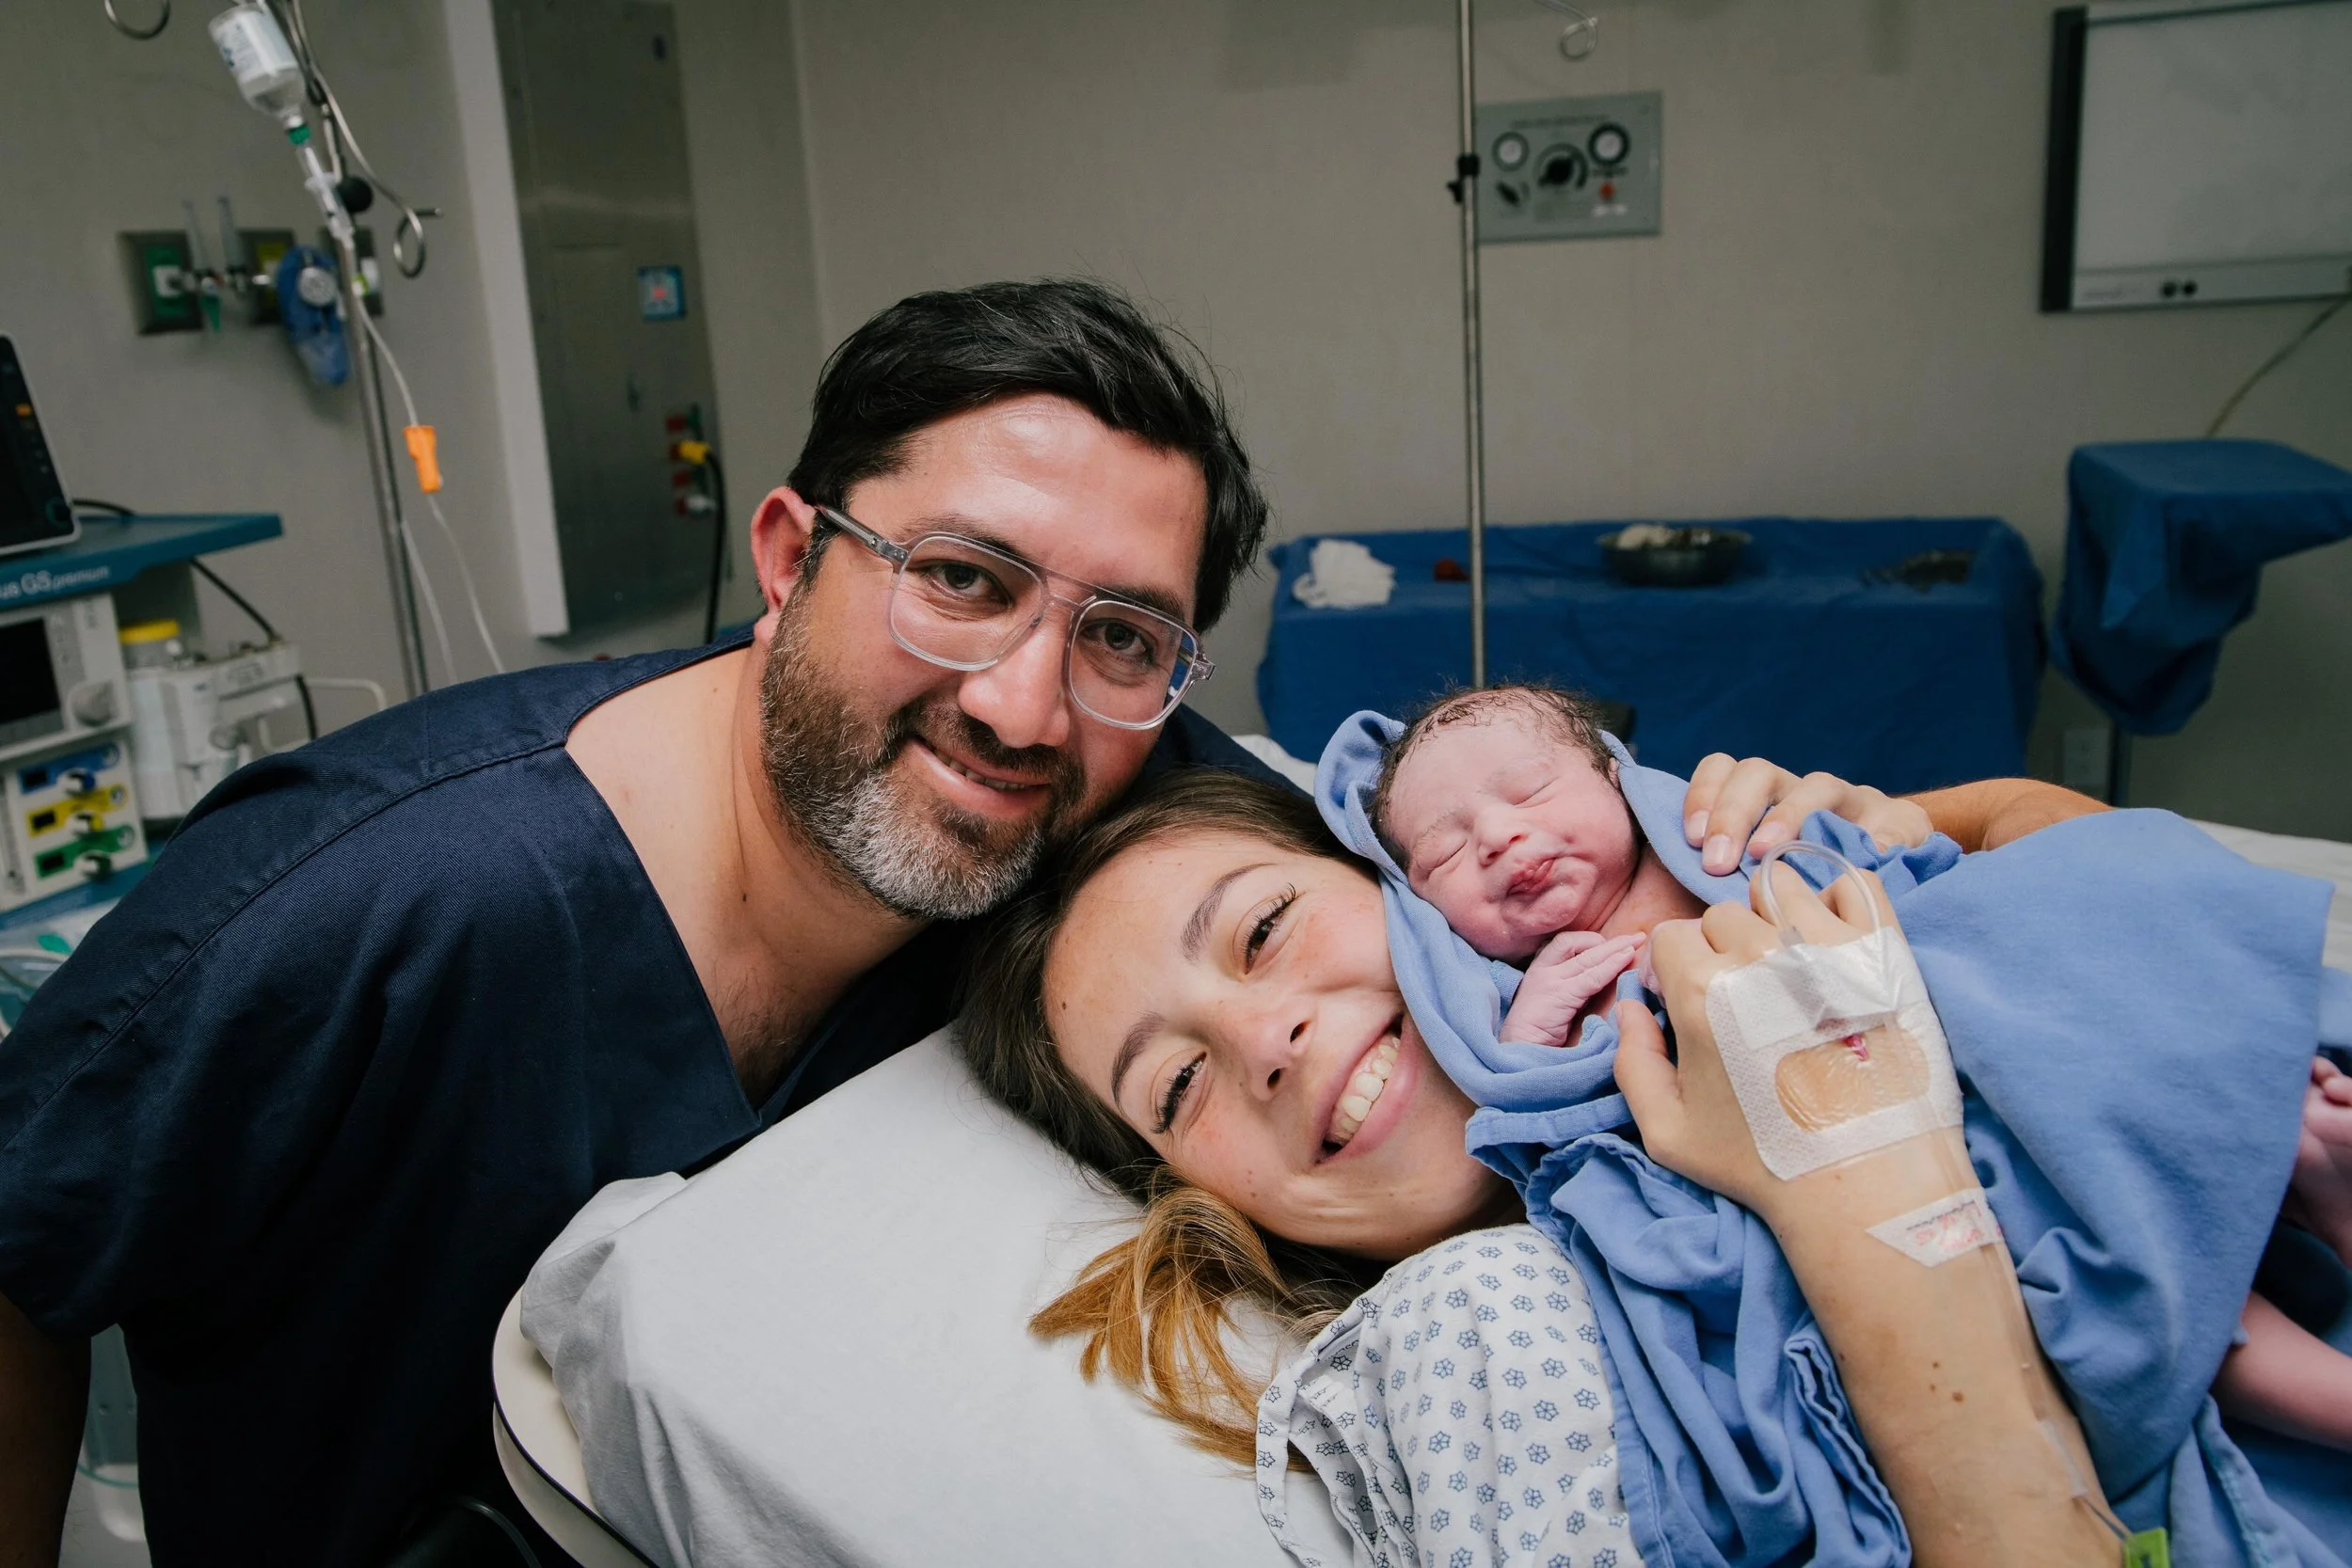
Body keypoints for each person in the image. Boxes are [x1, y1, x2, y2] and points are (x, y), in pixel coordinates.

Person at [0, 277, 1965, 1567]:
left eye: (1117, 630)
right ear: (787, 556)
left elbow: (1439, 853)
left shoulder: (1103, 786)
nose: (1024, 702)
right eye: (956, 576)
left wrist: (1781, 818)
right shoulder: (374, 905)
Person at [956, 771, 2129, 1565]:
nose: (1264, 1043)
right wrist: (1863, 1186)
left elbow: (2171, 962)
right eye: (1174, 1086)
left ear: (1412, 884)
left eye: (1264, 928)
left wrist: (1953, 819)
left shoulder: (1729, 991)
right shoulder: (1474, 1320)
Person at [1373, 682, 2352, 1452]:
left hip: (1978, 1051)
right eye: (1443, 852)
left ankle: (2275, 1131)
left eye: (1531, 790)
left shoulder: (1728, 846)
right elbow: (1550, 1131)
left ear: (1620, 779)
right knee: (2085, 1262)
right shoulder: (1528, 989)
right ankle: (2317, 1378)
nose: (1497, 835)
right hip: (1912, 1157)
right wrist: (1534, 1036)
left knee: (2101, 927)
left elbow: (1916, 876)